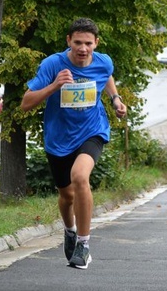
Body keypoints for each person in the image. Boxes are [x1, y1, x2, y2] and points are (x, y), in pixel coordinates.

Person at [21, 18, 126, 269]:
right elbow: (26, 103)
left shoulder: (104, 61)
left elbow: (107, 76)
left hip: (92, 130)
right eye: (77, 42)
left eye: (88, 43)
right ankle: (69, 230)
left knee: (80, 177)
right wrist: (54, 85)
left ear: (96, 43)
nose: (83, 48)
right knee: (66, 196)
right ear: (68, 41)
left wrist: (115, 99)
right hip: (59, 138)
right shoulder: (52, 64)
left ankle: (84, 244)